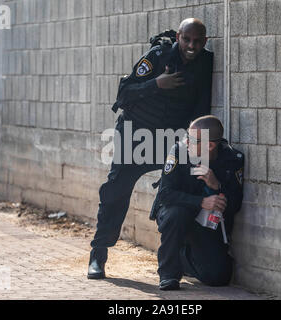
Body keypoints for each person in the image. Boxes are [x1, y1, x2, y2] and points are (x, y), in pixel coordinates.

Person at [88, 18, 214, 279]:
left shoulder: (205, 64)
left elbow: (201, 110)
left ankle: (184, 260)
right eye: (187, 39)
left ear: (205, 41)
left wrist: (195, 149)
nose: (192, 45)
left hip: (172, 138)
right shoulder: (157, 56)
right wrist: (157, 83)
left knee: (192, 183)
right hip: (137, 133)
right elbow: (123, 94)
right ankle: (98, 254)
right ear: (178, 37)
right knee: (116, 189)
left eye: (197, 41)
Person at [150, 115, 244, 290]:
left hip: (206, 223)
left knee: (218, 277)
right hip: (176, 215)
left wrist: (218, 186)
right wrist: (201, 201)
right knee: (178, 213)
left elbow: (235, 204)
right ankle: (169, 274)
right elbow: (165, 194)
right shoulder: (178, 152)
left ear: (210, 145)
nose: (186, 142)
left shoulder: (232, 159)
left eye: (192, 139)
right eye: (187, 135)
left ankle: (183, 257)